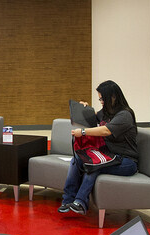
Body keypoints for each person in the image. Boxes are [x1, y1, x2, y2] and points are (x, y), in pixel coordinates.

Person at [59, 80, 139, 215]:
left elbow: (105, 131)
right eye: (99, 98)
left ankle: (80, 202)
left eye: (102, 98)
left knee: (94, 166)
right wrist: (84, 108)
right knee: (77, 159)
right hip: (110, 156)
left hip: (126, 161)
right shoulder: (107, 112)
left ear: (113, 97)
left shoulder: (125, 115)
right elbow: (92, 117)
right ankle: (67, 201)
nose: (101, 101)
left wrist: (83, 132)